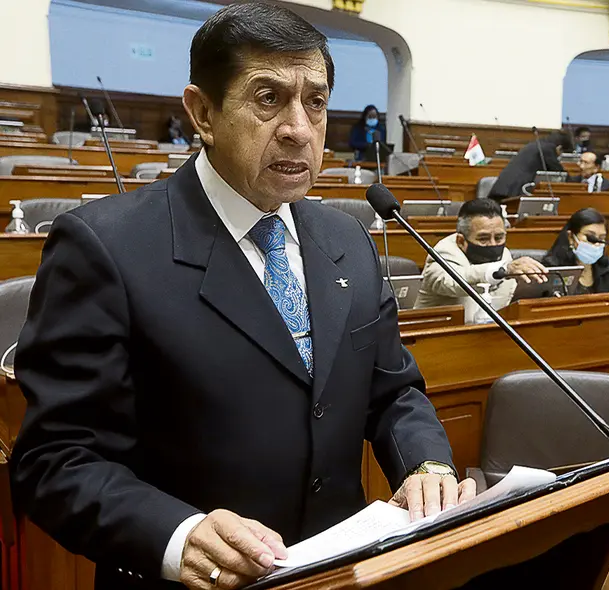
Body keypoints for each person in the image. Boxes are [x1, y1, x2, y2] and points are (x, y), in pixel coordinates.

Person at [10, 4, 476, 589]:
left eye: (315, 102)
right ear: (202, 112)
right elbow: (55, 460)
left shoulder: (345, 238)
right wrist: (178, 534)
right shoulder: (105, 248)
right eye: (267, 98)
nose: (299, 129)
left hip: (342, 574)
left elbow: (393, 390)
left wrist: (425, 462)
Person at [414, 199, 548, 321]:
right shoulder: (443, 253)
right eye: (483, 239)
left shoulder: (505, 255)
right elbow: (452, 282)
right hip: (434, 339)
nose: (493, 245)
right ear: (461, 241)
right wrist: (502, 270)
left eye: (499, 237)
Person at [542, 208, 609, 297]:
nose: (597, 244)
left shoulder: (608, 266)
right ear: (571, 237)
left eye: (601, 238)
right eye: (591, 238)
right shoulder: (552, 268)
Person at [488, 131, 573, 200]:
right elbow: (558, 171)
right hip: (512, 191)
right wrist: (575, 180)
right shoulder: (547, 148)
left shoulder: (536, 144)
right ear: (559, 148)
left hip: (503, 187)